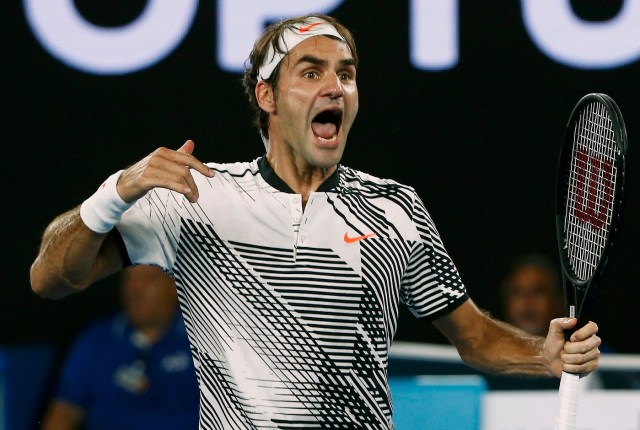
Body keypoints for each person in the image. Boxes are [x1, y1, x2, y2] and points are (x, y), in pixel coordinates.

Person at [30, 13, 601, 429]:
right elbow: (51, 278)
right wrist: (115, 192)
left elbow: (473, 336)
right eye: (310, 72)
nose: (336, 87)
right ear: (268, 97)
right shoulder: (194, 195)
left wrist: (542, 355)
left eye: (346, 74)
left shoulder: (395, 208)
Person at [40, 265, 200, 430]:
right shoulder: (96, 339)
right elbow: (64, 410)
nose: (135, 289)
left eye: (150, 278)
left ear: (175, 287)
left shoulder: (205, 342)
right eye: (129, 278)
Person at [500, 254, 564, 337]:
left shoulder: (576, 347)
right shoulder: (487, 348)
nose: (526, 303)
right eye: (517, 293)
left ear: (558, 301)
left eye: (537, 292)